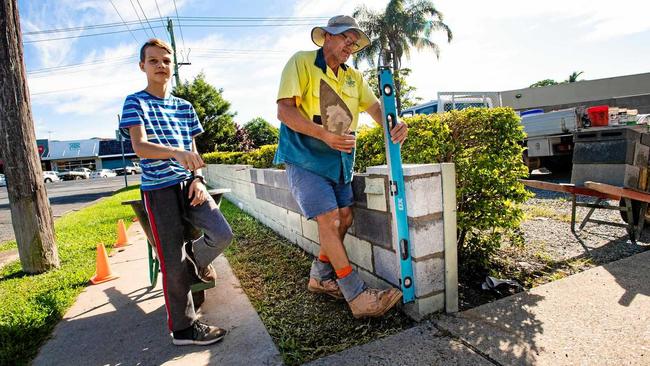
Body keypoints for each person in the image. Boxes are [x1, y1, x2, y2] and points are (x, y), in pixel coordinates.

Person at [275, 15, 408, 318]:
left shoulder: (354, 78)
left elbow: (377, 108)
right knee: (330, 220)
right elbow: (285, 111)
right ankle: (357, 295)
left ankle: (321, 277)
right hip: (304, 154)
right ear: (326, 37)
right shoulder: (301, 62)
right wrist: (324, 135)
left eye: (354, 42)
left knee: (345, 218)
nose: (351, 45)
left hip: (339, 158)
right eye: (346, 37)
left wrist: (395, 122)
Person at [118, 38, 233, 346]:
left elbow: (193, 150)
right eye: (153, 61)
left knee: (222, 233)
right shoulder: (135, 102)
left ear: (172, 65)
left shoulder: (185, 107)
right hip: (158, 191)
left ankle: (194, 258)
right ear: (142, 66)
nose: (161, 66)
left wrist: (197, 178)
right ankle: (183, 328)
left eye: (166, 61)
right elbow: (140, 147)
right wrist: (174, 153)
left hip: (189, 186)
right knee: (172, 262)